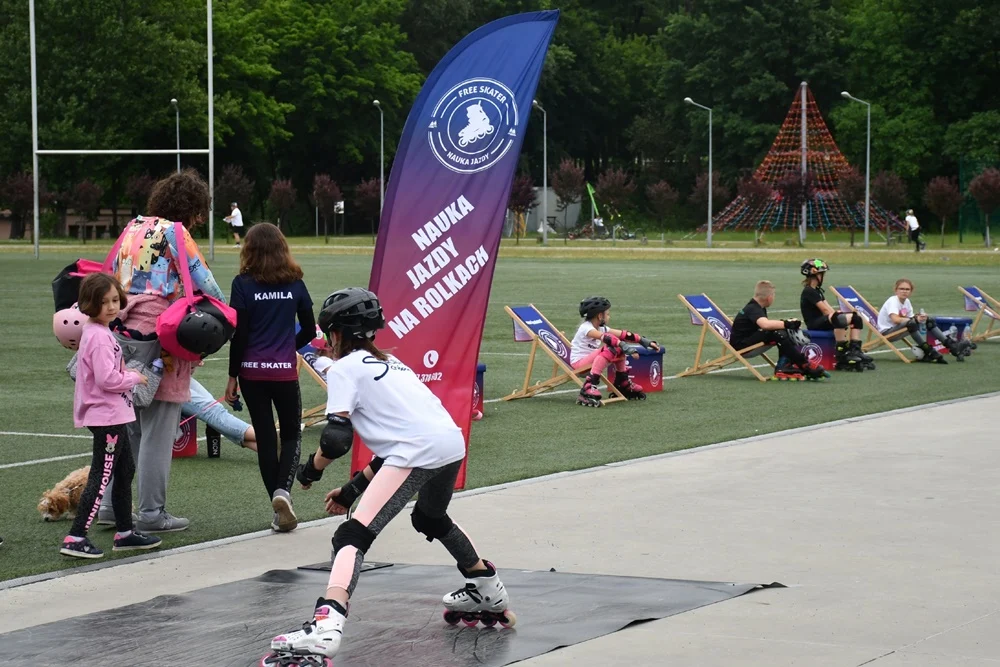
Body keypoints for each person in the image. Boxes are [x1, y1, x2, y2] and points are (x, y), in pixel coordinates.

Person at [270, 287, 513, 662]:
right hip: (450, 444)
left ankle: (325, 625)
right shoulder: (394, 363)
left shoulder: (343, 369)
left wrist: (311, 469)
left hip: (417, 451)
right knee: (430, 517)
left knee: (351, 536)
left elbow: (336, 439)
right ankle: (486, 587)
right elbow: (394, 445)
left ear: (336, 333)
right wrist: (351, 490)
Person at [108, 168, 226, 533]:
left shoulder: (132, 227)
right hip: (163, 338)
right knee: (159, 431)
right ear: (191, 207)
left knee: (128, 428)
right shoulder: (176, 233)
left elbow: (112, 273)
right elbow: (206, 283)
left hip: (122, 332)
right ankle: (151, 512)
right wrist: (224, 316)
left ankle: (111, 506)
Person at [61, 273, 161, 558]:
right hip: (107, 417)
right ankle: (76, 536)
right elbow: (107, 379)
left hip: (113, 414)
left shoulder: (99, 332)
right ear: (89, 304)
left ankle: (125, 532)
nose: (112, 307)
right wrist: (134, 377)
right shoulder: (99, 337)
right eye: (103, 302)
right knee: (101, 475)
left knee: (125, 468)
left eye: (115, 300)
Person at [225, 223, 315, 532]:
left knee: (265, 438)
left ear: (249, 249)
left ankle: (278, 510)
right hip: (284, 372)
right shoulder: (295, 283)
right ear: (282, 248)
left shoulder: (242, 284)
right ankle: (283, 493)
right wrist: (288, 346)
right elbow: (311, 329)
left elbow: (239, 335)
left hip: (251, 373)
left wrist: (232, 376)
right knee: (291, 436)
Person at [570, 296, 659, 406]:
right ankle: (589, 386)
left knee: (617, 347)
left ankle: (622, 382)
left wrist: (644, 341)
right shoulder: (586, 328)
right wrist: (624, 346)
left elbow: (623, 334)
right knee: (610, 347)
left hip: (591, 363)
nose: (609, 316)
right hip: (579, 364)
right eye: (607, 314)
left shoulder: (601, 328)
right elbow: (606, 338)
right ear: (600, 316)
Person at [731, 280, 826, 380]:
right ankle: (802, 364)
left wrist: (786, 324)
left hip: (746, 341)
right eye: (773, 295)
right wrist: (787, 324)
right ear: (769, 297)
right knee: (778, 333)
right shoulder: (753, 308)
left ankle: (787, 365)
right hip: (742, 346)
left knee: (780, 331)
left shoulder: (757, 307)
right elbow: (765, 325)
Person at [799, 258, 875, 372]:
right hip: (814, 323)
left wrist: (845, 316)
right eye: (822, 274)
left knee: (856, 318)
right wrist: (840, 317)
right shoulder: (809, 291)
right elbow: (825, 310)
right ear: (815, 274)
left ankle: (855, 350)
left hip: (823, 320)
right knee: (838, 318)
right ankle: (842, 353)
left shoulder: (817, 291)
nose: (823, 276)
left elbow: (829, 308)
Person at [877, 279, 973, 363]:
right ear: (896, 290)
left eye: (907, 289)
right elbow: (895, 319)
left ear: (911, 292)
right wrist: (915, 319)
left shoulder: (907, 302)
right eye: (901, 289)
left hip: (898, 330)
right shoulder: (893, 301)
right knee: (912, 323)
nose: (904, 291)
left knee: (928, 320)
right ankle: (928, 350)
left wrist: (920, 317)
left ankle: (952, 346)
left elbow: (911, 317)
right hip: (888, 333)